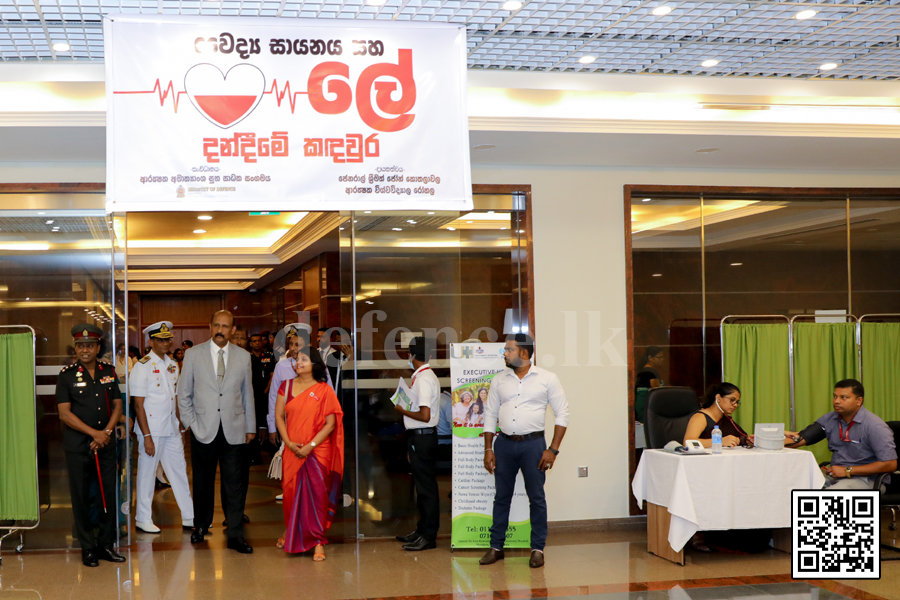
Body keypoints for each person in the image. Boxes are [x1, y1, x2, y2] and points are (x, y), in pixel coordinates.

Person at [480, 334, 569, 569]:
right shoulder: (499, 379)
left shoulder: (548, 379)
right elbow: (490, 414)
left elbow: (562, 414)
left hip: (534, 446)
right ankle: (496, 547)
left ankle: (537, 549)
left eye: (509, 350)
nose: (504, 354)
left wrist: (553, 450)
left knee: (536, 498)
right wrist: (489, 448)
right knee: (502, 497)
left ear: (524, 353)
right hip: (505, 445)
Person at [176, 310, 255, 554]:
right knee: (202, 482)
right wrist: (190, 423)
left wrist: (250, 426)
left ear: (232, 330)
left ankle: (235, 534)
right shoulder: (193, 354)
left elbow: (247, 393)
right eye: (217, 325)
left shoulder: (243, 357)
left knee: (235, 484)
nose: (220, 330)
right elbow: (183, 393)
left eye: (226, 326)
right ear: (210, 327)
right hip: (203, 429)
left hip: (234, 429)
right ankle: (200, 526)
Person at [56, 324, 126, 567]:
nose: (84, 349)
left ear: (97, 348)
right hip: (78, 446)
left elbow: (117, 405)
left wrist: (105, 432)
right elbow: (65, 414)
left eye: (89, 345)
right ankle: (87, 548)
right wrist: (94, 433)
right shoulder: (66, 374)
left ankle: (105, 545)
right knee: (81, 497)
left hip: (105, 444)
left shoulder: (108, 371)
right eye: (80, 345)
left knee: (107, 494)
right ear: (75, 348)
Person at [274, 348, 345, 559]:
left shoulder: (324, 390)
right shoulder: (285, 386)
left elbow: (331, 424)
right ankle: (291, 530)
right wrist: (289, 443)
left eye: (304, 359)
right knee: (290, 494)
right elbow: (278, 416)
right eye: (297, 359)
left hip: (317, 451)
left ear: (315, 364)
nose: (298, 362)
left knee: (317, 495)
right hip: (292, 449)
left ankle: (318, 540)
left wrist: (310, 446)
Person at [130, 321, 194, 534]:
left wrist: (180, 428)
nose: (165, 343)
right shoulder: (142, 366)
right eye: (160, 339)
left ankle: (189, 516)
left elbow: (174, 399)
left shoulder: (173, 364)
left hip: (170, 428)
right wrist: (146, 436)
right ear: (151, 342)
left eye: (167, 339)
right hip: (152, 430)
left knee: (179, 472)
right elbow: (138, 404)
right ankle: (142, 518)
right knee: (147, 474)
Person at [788, 379, 897, 490]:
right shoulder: (829, 419)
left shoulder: (874, 426)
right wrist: (774, 437)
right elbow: (798, 440)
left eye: (843, 397)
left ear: (859, 401)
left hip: (868, 480)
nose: (836, 401)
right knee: (795, 487)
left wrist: (847, 470)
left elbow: (890, 464)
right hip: (834, 476)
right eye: (835, 397)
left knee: (825, 498)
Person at [394, 336, 442, 551]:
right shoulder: (424, 376)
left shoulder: (423, 379)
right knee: (423, 487)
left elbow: (424, 415)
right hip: (419, 437)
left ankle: (428, 536)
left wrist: (400, 409)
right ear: (430, 355)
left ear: (411, 355)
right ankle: (421, 530)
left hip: (423, 436)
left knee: (426, 489)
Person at [683, 383, 749, 448]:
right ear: (718, 398)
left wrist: (748, 440)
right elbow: (687, 442)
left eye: (737, 402)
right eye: (732, 400)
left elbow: (738, 437)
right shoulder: (701, 417)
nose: (735, 405)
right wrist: (720, 441)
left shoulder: (726, 419)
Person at [250, 331, 276, 463]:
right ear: (250, 343)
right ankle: (255, 455)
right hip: (251, 396)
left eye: (259, 340)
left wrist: (266, 391)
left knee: (267, 423)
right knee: (253, 425)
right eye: (254, 341)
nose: (257, 343)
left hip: (266, 395)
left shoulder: (269, 356)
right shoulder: (247, 358)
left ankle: (273, 453)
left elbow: (273, 376)